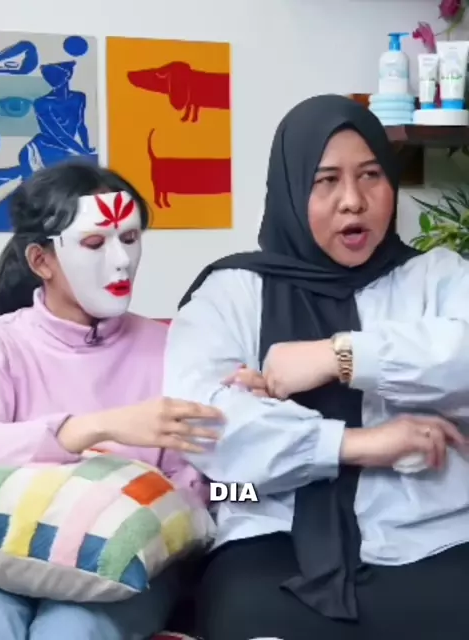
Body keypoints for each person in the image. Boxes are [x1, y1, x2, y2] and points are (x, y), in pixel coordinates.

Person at [163, 94, 469, 640]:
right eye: (326, 181)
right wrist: (357, 444)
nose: (353, 201)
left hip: (433, 528)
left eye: (371, 175)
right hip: (271, 529)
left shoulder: (437, 276)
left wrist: (339, 356)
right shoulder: (232, 292)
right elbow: (202, 422)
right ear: (289, 187)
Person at [0, 159, 222, 640]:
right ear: (41, 261)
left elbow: (224, 491)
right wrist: (93, 428)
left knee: (69, 633)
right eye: (95, 244)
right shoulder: (0, 344)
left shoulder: (176, 349)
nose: (120, 261)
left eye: (130, 238)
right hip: (4, 561)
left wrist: (241, 417)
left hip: (125, 572)